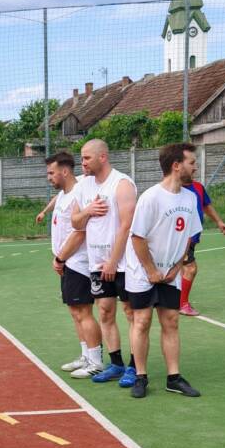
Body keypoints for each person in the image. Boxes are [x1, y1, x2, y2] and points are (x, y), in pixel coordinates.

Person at [125, 143, 203, 400]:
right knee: (142, 321)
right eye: (192, 162)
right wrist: (151, 270)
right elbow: (137, 237)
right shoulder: (151, 197)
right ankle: (140, 376)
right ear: (176, 165)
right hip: (142, 271)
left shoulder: (190, 198)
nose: (195, 167)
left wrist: (177, 267)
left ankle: (174, 378)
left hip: (170, 272)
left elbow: (188, 237)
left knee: (171, 321)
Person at [71, 139, 139, 387]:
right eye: (81, 158)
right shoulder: (82, 186)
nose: (82, 163)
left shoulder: (122, 184)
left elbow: (127, 225)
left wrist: (113, 261)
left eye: (87, 158)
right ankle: (116, 363)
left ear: (102, 157)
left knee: (130, 312)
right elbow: (75, 221)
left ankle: (135, 366)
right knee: (105, 311)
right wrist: (88, 211)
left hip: (123, 263)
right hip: (96, 263)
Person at [46, 151, 103, 378]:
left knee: (84, 312)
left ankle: (96, 361)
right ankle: (85, 355)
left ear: (64, 171)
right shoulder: (63, 195)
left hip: (78, 263)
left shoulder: (78, 194)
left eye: (51, 173)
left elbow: (79, 232)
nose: (49, 177)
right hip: (67, 262)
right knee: (75, 312)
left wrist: (60, 258)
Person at [178, 178, 225, 316]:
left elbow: (206, 205)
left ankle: (173, 300)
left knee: (181, 269)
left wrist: (219, 221)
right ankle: (182, 304)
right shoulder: (174, 188)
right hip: (180, 238)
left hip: (192, 238)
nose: (195, 168)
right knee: (190, 268)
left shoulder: (198, 187)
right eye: (191, 166)